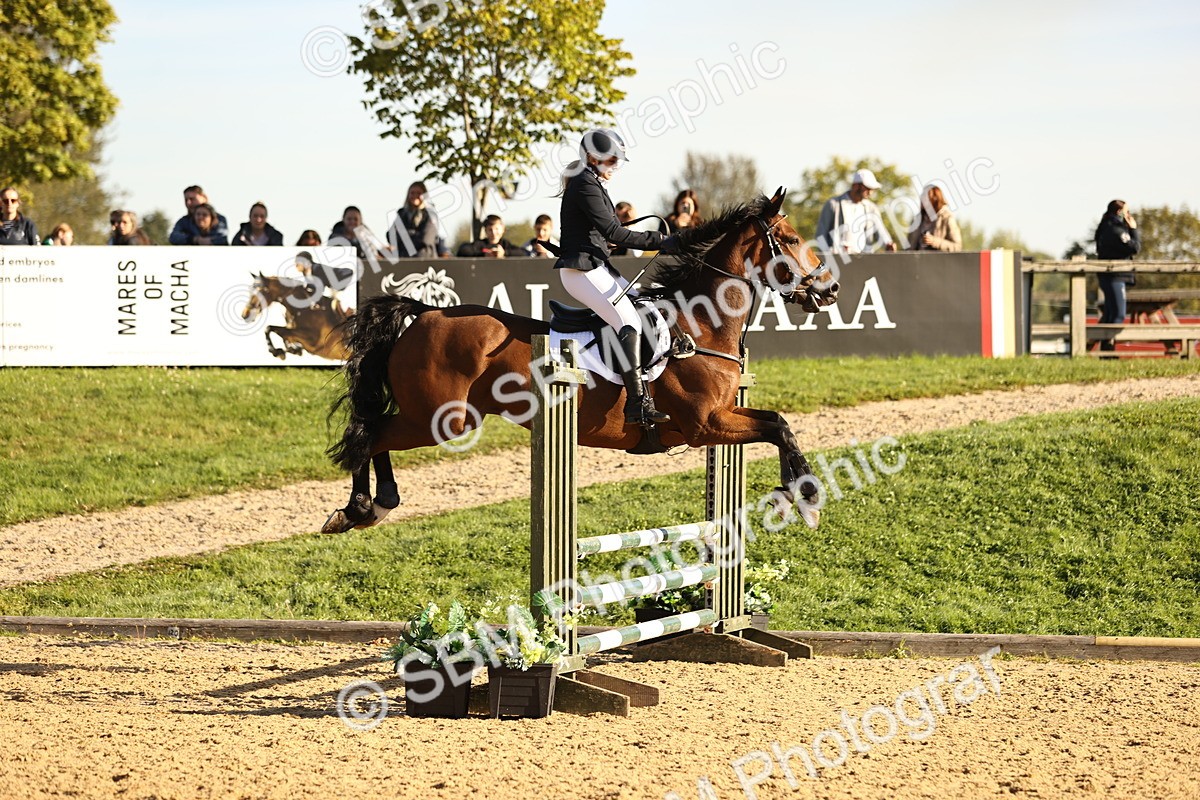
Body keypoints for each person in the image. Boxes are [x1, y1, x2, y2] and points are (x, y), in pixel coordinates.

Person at [554, 128, 677, 426]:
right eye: (611, 159)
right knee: (629, 321)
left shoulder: (593, 181)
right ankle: (636, 404)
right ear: (593, 158)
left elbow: (603, 232)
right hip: (581, 270)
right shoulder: (585, 184)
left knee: (641, 305)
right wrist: (660, 241)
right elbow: (614, 233)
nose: (616, 166)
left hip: (596, 266)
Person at [1094, 199, 1141, 353]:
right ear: (1120, 212)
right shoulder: (1116, 230)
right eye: (1127, 212)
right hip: (1116, 277)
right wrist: (1133, 229)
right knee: (1118, 315)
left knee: (1110, 314)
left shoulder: (1106, 227)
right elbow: (1134, 247)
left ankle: (1105, 352)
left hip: (1110, 277)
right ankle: (1108, 351)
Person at [815, 169, 896, 254]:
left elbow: (880, 232)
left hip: (864, 261)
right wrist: (830, 258)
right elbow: (821, 236)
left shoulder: (871, 208)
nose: (870, 193)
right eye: (867, 188)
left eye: (871, 189)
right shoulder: (834, 205)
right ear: (856, 186)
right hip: (839, 261)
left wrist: (888, 243)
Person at [388, 181, 450, 258]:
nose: (415, 196)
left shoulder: (431, 214)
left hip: (424, 258)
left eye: (418, 193)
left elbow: (426, 238)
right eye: (412, 193)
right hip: (403, 258)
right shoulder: (402, 213)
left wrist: (405, 235)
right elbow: (391, 235)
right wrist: (414, 234)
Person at [907, 185, 962, 252]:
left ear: (935, 199)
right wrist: (893, 252)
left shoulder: (947, 218)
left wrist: (934, 241)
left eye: (925, 196)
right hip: (918, 261)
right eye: (922, 195)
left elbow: (957, 247)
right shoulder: (917, 220)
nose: (921, 198)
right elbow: (909, 250)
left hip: (939, 262)